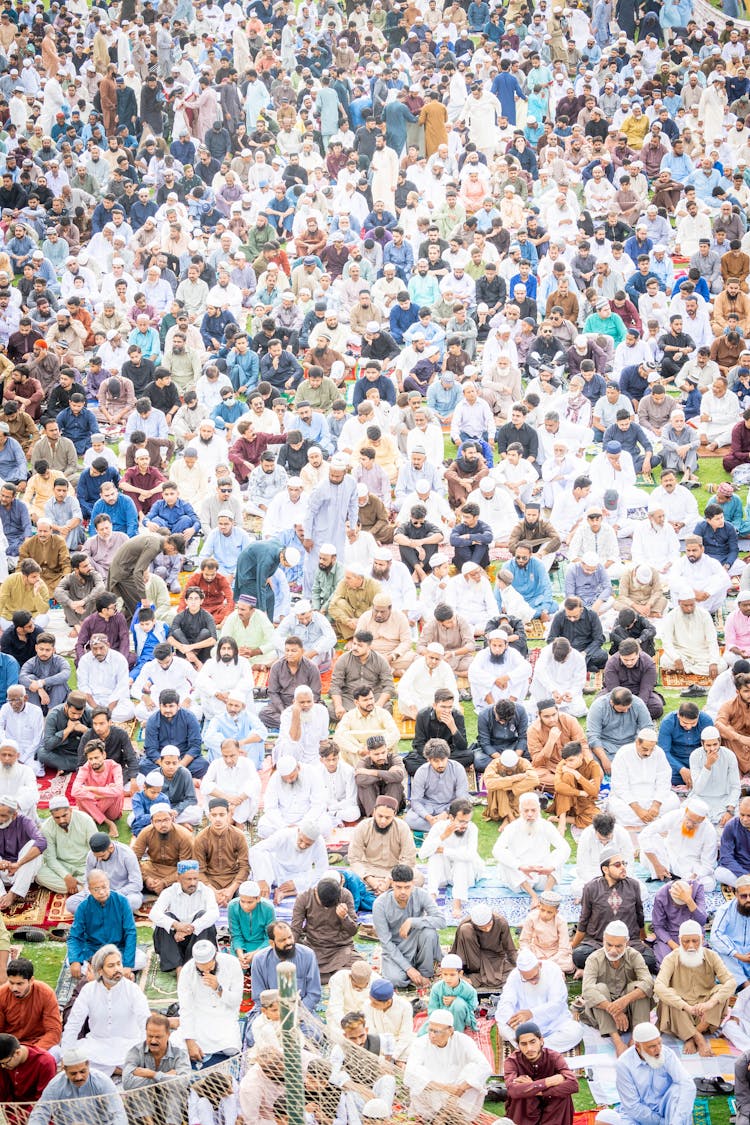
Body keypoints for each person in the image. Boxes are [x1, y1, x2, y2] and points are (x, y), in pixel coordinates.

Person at [60, 944, 151, 1076]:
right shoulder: (89, 990)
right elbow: (74, 1024)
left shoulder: (132, 989)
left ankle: (121, 1069)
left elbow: (145, 1022)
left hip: (128, 1044)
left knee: (141, 1058)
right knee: (76, 1058)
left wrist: (145, 1053)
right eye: (111, 966)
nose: (117, 969)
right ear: (100, 971)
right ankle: (122, 1071)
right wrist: (66, 1056)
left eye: (119, 964)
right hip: (97, 1044)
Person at [654, 920, 735, 1056]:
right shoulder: (671, 958)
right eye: (686, 941)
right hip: (681, 1012)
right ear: (680, 940)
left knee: (721, 990)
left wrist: (710, 1003)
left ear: (702, 940)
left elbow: (731, 982)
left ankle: (691, 1035)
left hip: (705, 1013)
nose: (691, 946)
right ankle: (698, 1037)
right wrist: (686, 1007)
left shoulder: (712, 956)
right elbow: (658, 986)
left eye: (695, 941)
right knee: (669, 994)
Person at [579, 921, 654, 1057]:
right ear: (603, 941)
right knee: (598, 990)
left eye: (618, 946)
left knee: (637, 988)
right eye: (609, 945)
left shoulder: (634, 955)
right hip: (603, 1014)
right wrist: (613, 1010)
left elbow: (648, 982)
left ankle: (635, 1039)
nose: (613, 950)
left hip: (630, 1012)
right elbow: (587, 991)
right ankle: (618, 1042)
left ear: (627, 943)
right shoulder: (594, 958)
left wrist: (624, 1001)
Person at [572, 847, 654, 971]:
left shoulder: (633, 886)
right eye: (617, 865)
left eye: (623, 863)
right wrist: (573, 946)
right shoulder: (591, 888)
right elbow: (584, 920)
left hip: (628, 942)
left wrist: (642, 939)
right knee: (579, 956)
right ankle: (622, 968)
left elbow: (639, 915)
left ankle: (603, 968)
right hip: (599, 943)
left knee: (649, 960)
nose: (623, 867)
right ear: (605, 869)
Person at [403, 1009, 492, 1122]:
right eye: (430, 1030)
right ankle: (437, 1118)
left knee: (473, 1071)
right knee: (418, 1073)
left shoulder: (463, 1040)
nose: (432, 1035)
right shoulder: (420, 1043)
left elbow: (485, 1067)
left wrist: (459, 1091)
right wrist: (444, 1087)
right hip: (433, 1093)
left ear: (450, 1030)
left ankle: (448, 1117)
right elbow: (410, 1075)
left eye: (437, 1031)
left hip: (458, 1096)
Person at [372, 863, 444, 988]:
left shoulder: (421, 894)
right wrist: (408, 969)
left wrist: (413, 921)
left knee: (429, 932)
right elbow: (386, 942)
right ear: (392, 884)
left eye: (407, 887)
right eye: (398, 887)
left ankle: (425, 973)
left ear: (413, 884)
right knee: (395, 980)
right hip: (396, 948)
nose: (403, 892)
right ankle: (412, 970)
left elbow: (441, 921)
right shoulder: (380, 904)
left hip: (418, 943)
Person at [496, 949, 582, 1052]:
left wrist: (532, 1013)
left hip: (553, 1024)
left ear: (540, 965)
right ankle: (534, 1046)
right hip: (524, 1028)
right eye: (528, 979)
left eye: (535, 977)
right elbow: (505, 1002)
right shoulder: (514, 976)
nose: (533, 982)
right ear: (520, 972)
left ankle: (529, 1047)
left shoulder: (553, 970)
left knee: (575, 1031)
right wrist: (511, 1021)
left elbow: (557, 1004)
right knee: (502, 1027)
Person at [492, 792, 570, 905]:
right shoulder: (512, 828)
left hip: (543, 875)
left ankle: (545, 895)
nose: (530, 814)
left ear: (539, 810)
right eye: (526, 811)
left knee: (558, 857)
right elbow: (497, 850)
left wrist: (551, 867)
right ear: (520, 811)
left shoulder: (546, 826)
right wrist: (520, 866)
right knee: (506, 861)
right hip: (520, 879)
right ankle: (533, 896)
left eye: (533, 810)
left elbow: (565, 848)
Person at [175, 939, 244, 1067]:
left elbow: (235, 1002)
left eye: (210, 969)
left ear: (215, 957)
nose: (206, 973)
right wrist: (190, 1041)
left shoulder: (232, 963)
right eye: (201, 971)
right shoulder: (187, 971)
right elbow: (186, 1008)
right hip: (200, 1018)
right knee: (176, 1045)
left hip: (224, 1016)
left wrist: (218, 988)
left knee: (231, 1049)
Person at [609, 1023, 695, 1125]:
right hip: (639, 1115)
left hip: (665, 1107)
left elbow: (687, 1084)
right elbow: (633, 1106)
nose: (658, 1049)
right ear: (637, 1046)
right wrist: (662, 1122)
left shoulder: (667, 1054)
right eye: (652, 1046)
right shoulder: (623, 1064)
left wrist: (676, 1121)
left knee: (679, 1090)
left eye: (659, 1043)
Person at [66, 872, 144, 978]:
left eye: (104, 887)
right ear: (89, 890)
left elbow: (130, 932)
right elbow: (74, 936)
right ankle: (116, 973)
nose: (102, 892)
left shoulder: (122, 901)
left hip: (118, 950)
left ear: (109, 884)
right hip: (94, 952)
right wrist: (75, 961)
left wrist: (128, 964)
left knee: (141, 959)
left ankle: (100, 974)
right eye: (96, 889)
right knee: (70, 961)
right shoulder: (83, 907)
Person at [149, 859, 220, 973]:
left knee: (204, 916)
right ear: (178, 878)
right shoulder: (169, 892)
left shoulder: (206, 891)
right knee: (166, 917)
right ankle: (178, 967)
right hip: (174, 941)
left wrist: (190, 928)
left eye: (195, 878)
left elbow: (214, 913)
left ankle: (196, 961)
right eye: (188, 879)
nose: (193, 883)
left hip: (197, 938)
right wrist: (176, 925)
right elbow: (154, 914)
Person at [27, 1046, 128, 1125]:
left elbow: (118, 1112)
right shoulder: (56, 1084)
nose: (79, 1077)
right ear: (64, 1070)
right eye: (73, 1073)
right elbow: (41, 1112)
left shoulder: (102, 1081)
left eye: (82, 1071)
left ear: (88, 1065)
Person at [419, 798, 484, 919]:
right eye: (461, 821)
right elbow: (422, 854)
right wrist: (443, 836)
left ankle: (457, 902)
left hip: (467, 874)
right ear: (451, 818)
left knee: (461, 859)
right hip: (445, 875)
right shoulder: (439, 827)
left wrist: (444, 850)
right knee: (435, 856)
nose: (464, 825)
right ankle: (432, 897)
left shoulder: (472, 828)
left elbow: (470, 855)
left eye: (467, 822)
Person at [503, 1021, 579, 1125]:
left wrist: (538, 1091)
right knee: (521, 1094)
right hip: (525, 1111)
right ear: (518, 1045)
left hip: (552, 1107)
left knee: (563, 1095)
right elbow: (513, 1090)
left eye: (532, 1042)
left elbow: (573, 1085)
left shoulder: (554, 1057)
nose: (529, 1048)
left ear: (541, 1041)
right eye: (524, 1044)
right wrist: (548, 1082)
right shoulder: (512, 1061)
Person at [291, 873, 359, 982]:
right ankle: (335, 976)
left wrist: (345, 918)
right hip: (313, 947)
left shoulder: (345, 895)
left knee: (360, 968)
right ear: (316, 890)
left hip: (340, 948)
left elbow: (353, 931)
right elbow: (295, 929)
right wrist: (287, 949)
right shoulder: (304, 897)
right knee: (288, 964)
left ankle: (319, 976)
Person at [608, 729, 680, 830]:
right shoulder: (623, 753)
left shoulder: (659, 753)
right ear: (637, 742)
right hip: (629, 798)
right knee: (618, 808)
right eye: (645, 749)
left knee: (673, 802)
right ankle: (656, 821)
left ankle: (646, 820)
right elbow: (620, 786)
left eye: (652, 749)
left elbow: (664, 780)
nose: (649, 753)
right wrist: (638, 810)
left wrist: (656, 805)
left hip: (653, 795)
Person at [639, 798, 717, 889]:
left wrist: (696, 875)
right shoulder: (676, 815)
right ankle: (668, 876)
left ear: (703, 819)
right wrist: (657, 865)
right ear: (686, 811)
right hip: (667, 857)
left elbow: (708, 865)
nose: (690, 825)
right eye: (688, 819)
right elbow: (644, 834)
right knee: (649, 846)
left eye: (695, 823)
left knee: (709, 884)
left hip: (688, 867)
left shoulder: (709, 831)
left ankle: (673, 880)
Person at [250, 921, 322, 1019]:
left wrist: (297, 1015)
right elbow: (258, 996)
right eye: (282, 940)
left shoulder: (307, 955)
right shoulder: (259, 959)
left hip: (301, 1012)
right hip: (271, 1013)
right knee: (257, 1033)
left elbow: (314, 993)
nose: (288, 942)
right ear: (272, 943)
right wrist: (274, 1014)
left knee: (310, 1033)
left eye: (290, 937)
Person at [347, 801, 418, 895]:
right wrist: (370, 879)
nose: (383, 821)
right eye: (380, 816)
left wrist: (389, 880)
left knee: (418, 878)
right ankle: (391, 891)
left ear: (394, 814)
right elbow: (354, 858)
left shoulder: (402, 827)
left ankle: (384, 889)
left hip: (395, 872)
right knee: (349, 877)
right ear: (374, 812)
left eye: (387, 817)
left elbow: (408, 859)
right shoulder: (363, 826)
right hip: (369, 871)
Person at [122, 1012, 192, 1106]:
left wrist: (152, 1074)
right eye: (150, 1036)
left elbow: (183, 1083)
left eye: (158, 1037)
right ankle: (148, 1121)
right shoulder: (135, 1051)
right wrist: (165, 1076)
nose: (153, 1041)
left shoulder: (180, 1054)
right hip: (143, 1106)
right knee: (142, 1091)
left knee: (175, 1093)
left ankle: (171, 1121)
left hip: (169, 1101)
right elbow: (127, 1083)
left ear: (168, 1034)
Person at [194, 797, 250, 907]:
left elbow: (245, 867)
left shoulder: (239, 836)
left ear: (229, 814)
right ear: (209, 816)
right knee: (194, 895)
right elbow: (199, 870)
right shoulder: (201, 838)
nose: (218, 819)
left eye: (222, 815)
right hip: (210, 881)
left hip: (233, 880)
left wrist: (231, 889)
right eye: (214, 815)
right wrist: (213, 891)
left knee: (247, 896)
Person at [36, 795, 96, 897]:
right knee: (39, 874)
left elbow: (95, 850)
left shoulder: (85, 820)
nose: (61, 821)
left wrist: (92, 870)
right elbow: (50, 859)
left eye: (64, 816)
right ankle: (82, 889)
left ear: (70, 810)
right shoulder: (46, 828)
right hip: (63, 866)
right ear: (51, 815)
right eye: (57, 818)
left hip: (86, 865)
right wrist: (66, 876)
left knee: (103, 870)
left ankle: (82, 887)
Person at [405, 739, 470, 831]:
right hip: (429, 806)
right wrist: (428, 818)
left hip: (451, 805)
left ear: (447, 757)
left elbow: (462, 798)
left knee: (464, 813)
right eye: (436, 761)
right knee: (410, 819)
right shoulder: (421, 772)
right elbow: (415, 801)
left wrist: (447, 813)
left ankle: (440, 826)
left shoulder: (458, 768)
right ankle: (447, 826)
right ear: (428, 760)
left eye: (443, 760)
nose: (440, 764)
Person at [0, 958, 61, 1052]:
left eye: (20, 984)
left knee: (55, 1051)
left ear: (31, 980)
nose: (14, 988)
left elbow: (54, 1031)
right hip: (9, 1048)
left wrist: (31, 1052)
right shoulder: (2, 994)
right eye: (11, 983)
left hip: (37, 1045)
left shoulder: (45, 993)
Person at [0, 794, 45, 910]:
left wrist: (18, 864)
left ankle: (13, 893)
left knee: (32, 845)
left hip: (23, 871)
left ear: (14, 815)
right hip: (3, 872)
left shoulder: (25, 821)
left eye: (3, 816)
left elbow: (42, 842)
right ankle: (1, 894)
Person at [651, 880, 708, 969]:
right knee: (666, 964)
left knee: (703, 964)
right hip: (671, 936)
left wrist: (689, 901)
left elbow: (702, 921)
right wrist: (675, 947)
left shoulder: (697, 888)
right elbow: (658, 927)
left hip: (693, 935)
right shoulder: (661, 895)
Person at [519, 890, 575, 974]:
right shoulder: (531, 917)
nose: (545, 914)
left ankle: (541, 966)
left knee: (568, 965)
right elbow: (524, 941)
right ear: (538, 907)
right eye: (542, 910)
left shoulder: (561, 921)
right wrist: (529, 954)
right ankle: (549, 968)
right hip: (537, 949)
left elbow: (564, 948)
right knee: (521, 955)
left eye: (549, 912)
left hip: (554, 951)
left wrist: (550, 960)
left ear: (556, 912)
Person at [227, 880, 275, 972]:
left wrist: (256, 953)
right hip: (240, 946)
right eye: (242, 901)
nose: (245, 906)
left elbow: (270, 938)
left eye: (249, 902)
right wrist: (240, 955)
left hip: (262, 945)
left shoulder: (268, 908)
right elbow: (236, 935)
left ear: (258, 899)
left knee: (263, 969)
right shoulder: (232, 906)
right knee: (235, 969)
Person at [712, 875, 750, 985]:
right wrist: (738, 955)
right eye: (744, 896)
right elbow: (715, 936)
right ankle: (745, 985)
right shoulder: (725, 910)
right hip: (734, 956)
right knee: (722, 949)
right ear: (736, 894)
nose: (748, 899)